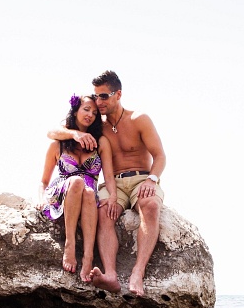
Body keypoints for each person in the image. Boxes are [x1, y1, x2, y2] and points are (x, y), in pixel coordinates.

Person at [47, 70, 166, 296]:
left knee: (150, 206)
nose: (98, 101)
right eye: (96, 96)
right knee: (102, 212)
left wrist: (152, 178)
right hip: (114, 183)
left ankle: (137, 273)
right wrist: (74, 135)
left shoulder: (139, 119)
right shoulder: (96, 124)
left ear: (118, 94)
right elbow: (52, 132)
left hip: (142, 178)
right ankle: (110, 275)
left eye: (104, 96)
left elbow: (160, 156)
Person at [39, 93, 116, 282]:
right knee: (77, 182)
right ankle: (70, 244)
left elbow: (109, 175)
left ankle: (88, 256)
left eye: (95, 112)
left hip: (88, 196)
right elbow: (43, 181)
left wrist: (113, 196)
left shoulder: (101, 142)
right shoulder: (58, 143)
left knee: (89, 191)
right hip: (63, 192)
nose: (90, 114)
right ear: (76, 110)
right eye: (86, 109)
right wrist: (40, 199)